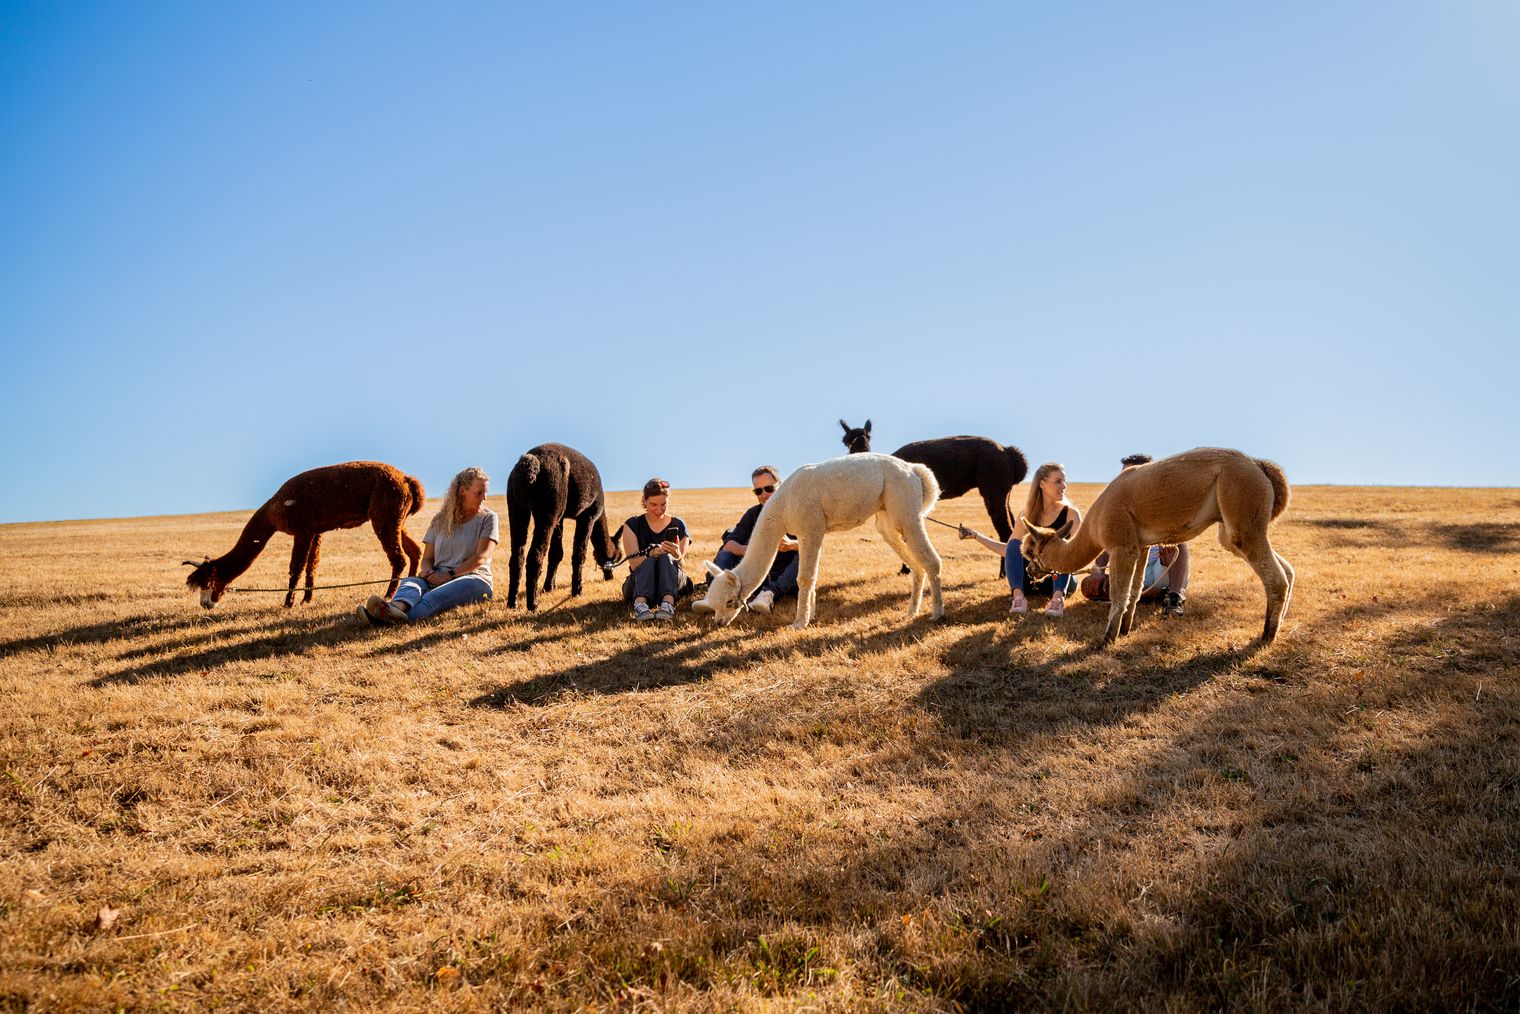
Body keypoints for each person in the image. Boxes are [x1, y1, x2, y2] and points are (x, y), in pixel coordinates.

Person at [357, 466, 498, 625]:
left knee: (431, 597)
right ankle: (392, 610)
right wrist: (427, 570)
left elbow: (480, 558)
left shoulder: (489, 518)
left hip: (473, 579)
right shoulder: (440, 520)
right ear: (462, 491)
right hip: (437, 576)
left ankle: (382, 621)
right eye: (479, 493)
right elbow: (427, 558)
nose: (484, 497)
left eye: (485, 492)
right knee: (410, 584)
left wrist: (448, 575)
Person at [959, 462, 1080, 617]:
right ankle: (1018, 598)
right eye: (1058, 481)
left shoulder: (1071, 515)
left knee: (1065, 546)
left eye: (1064, 481)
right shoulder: (1026, 515)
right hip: (1029, 579)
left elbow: (1075, 554)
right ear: (1042, 484)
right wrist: (976, 536)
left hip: (1059, 580)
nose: (1064, 486)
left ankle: (1057, 600)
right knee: (1014, 543)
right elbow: (1010, 551)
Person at [1082, 454, 1191, 616]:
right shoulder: (1117, 507)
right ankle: (1157, 594)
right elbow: (1107, 545)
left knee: (1177, 542)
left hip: (1162, 568)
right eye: (1121, 476)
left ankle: (1174, 596)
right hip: (1131, 572)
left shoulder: (1164, 502)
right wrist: (1098, 572)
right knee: (1089, 587)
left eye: (1129, 475)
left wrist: (1168, 554)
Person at [711, 466, 800, 615]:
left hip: (788, 578)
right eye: (758, 491)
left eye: (769, 489)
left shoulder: (797, 511)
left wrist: (792, 545)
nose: (764, 494)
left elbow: (815, 545)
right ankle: (721, 595)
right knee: (724, 555)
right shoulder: (753, 514)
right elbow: (729, 545)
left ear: (781, 486)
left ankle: (769, 594)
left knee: (806, 554)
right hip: (756, 579)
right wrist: (748, 551)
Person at [620, 478, 691, 622]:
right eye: (653, 505)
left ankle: (668, 604)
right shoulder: (632, 524)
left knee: (666, 557)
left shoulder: (679, 524)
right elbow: (633, 565)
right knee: (650, 560)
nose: (659, 510)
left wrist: (677, 556)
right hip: (639, 584)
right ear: (644, 501)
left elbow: (682, 566)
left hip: (674, 583)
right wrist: (650, 554)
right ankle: (640, 604)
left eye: (663, 504)